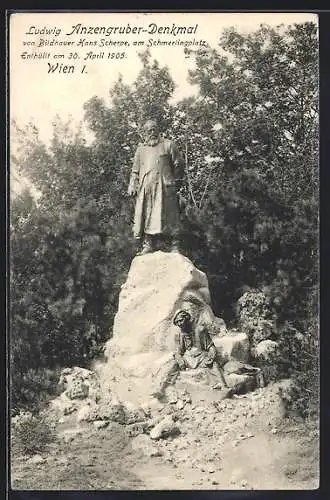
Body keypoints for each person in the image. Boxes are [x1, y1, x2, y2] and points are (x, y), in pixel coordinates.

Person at [128, 119, 185, 255]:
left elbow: (179, 164)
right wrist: (132, 184)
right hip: (146, 189)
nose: (152, 133)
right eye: (149, 130)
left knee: (170, 216)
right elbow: (135, 171)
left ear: (158, 130)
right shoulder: (141, 150)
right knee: (147, 215)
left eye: (154, 129)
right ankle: (148, 244)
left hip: (165, 187)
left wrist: (174, 182)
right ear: (144, 133)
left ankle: (175, 245)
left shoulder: (168, 145)